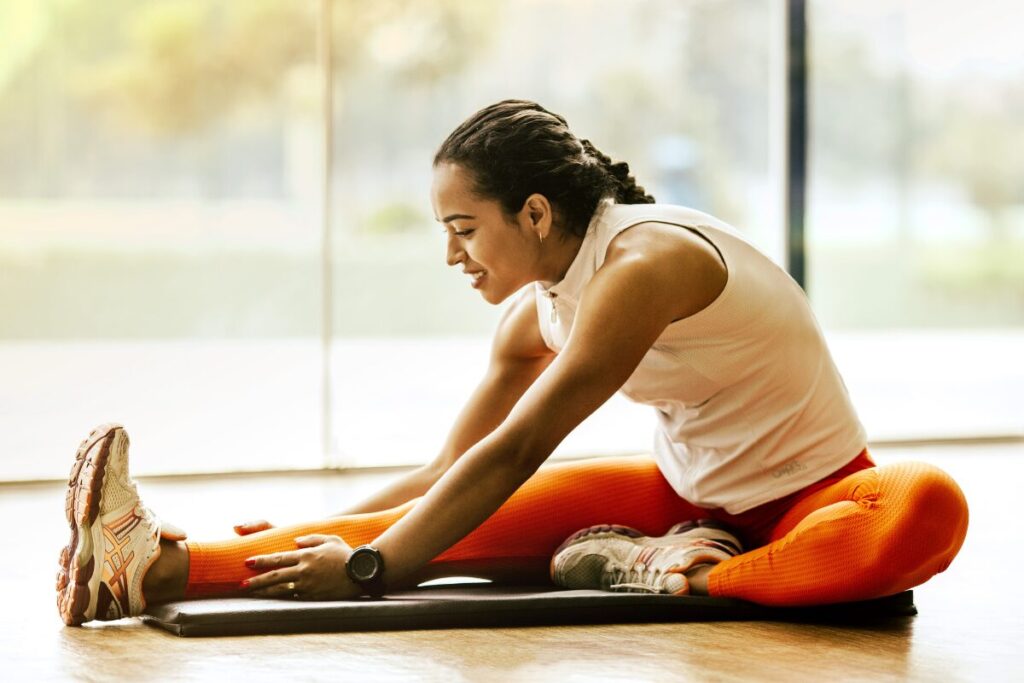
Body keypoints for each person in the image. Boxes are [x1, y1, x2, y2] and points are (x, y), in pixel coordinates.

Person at [56, 100, 968, 626]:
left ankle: (679, 573)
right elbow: (448, 475)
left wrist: (376, 568)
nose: (453, 255)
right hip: (685, 500)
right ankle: (141, 568)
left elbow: (524, 443)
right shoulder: (537, 312)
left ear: (534, 213)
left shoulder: (645, 267)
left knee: (929, 505)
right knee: (421, 520)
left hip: (818, 499)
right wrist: (325, 529)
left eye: (464, 229)